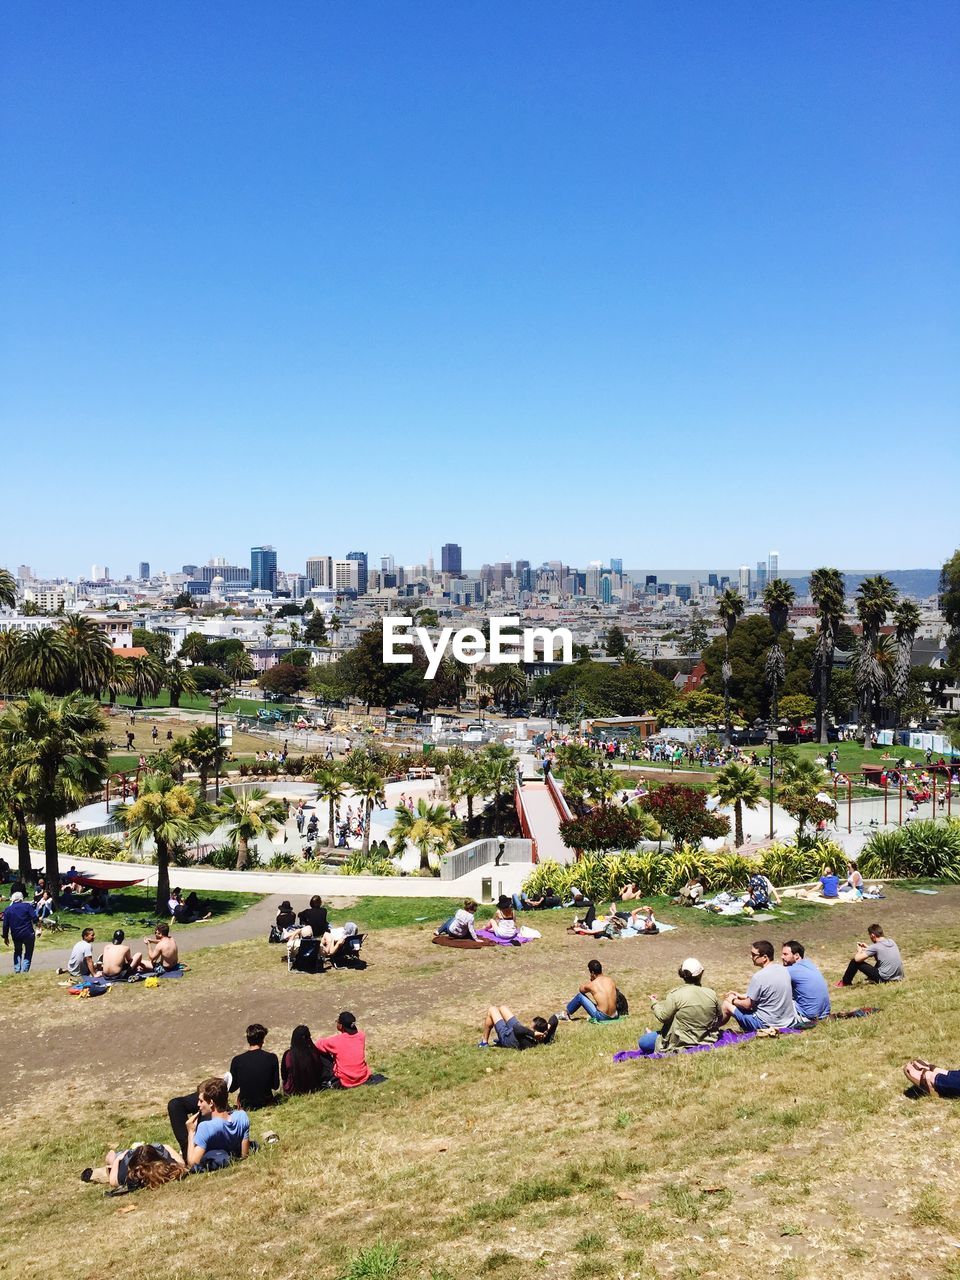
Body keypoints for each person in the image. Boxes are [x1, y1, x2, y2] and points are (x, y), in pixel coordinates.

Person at [637, 958, 725, 1054]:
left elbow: (663, 1017)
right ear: (701, 973)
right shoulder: (711, 994)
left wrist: (654, 1003)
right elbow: (720, 1017)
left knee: (644, 1042)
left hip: (680, 1042)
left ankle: (651, 1034)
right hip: (707, 1040)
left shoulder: (675, 995)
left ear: (683, 975)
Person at [721, 940, 801, 1031]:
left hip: (766, 1024)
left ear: (764, 957)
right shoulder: (783, 970)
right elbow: (768, 993)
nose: (751, 957)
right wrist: (741, 996)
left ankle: (711, 1030)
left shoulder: (758, 977)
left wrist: (733, 1000)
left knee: (726, 1005)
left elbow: (748, 1005)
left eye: (754, 955)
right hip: (787, 1022)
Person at [186, 1076, 250, 1168]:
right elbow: (244, 1155)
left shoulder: (205, 1127)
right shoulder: (242, 1116)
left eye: (201, 1101)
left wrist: (191, 1132)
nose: (198, 1104)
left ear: (211, 1103)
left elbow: (193, 1163)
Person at [82, 1141, 186, 1190]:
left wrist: (117, 1160)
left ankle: (113, 1157)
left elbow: (113, 1181)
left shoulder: (129, 1175)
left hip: (127, 1156)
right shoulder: (168, 1166)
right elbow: (181, 1163)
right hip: (153, 1149)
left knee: (111, 1157)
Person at [228, 1023, 280, 1110]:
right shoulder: (272, 1058)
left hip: (245, 1104)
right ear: (262, 1040)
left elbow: (232, 1088)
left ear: (248, 1040)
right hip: (266, 1102)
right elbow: (275, 1085)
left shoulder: (237, 1060)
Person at [314, 1011, 371, 1087]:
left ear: (340, 1026)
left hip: (346, 1080)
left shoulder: (336, 1041)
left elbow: (318, 1044)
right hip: (362, 1076)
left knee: (320, 1052)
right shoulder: (361, 1036)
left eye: (337, 1021)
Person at [838, 924, 904, 987]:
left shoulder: (875, 947)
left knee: (854, 962)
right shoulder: (891, 941)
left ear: (872, 935)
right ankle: (871, 978)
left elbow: (857, 959)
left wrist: (859, 951)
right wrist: (869, 948)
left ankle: (845, 982)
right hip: (898, 977)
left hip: (884, 979)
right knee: (880, 961)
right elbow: (881, 954)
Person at [781, 940, 831, 1021]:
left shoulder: (791, 970)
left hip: (808, 1015)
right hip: (824, 1013)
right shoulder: (809, 964)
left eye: (785, 954)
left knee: (776, 1001)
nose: (782, 957)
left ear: (796, 955)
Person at [281, 1024, 335, 1094]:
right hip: (313, 1088)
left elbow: (284, 1075)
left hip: (293, 1090)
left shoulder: (288, 1055)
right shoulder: (314, 1053)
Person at [478, 1005, 558, 1050]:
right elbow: (554, 1018)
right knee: (503, 1008)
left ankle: (484, 1043)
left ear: (535, 1031)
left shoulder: (530, 1044)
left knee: (492, 1009)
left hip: (506, 1036)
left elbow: (517, 1029)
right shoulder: (546, 1037)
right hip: (516, 1029)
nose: (529, 1027)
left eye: (531, 1027)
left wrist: (533, 1034)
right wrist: (548, 1028)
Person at [2, 889, 38, 974]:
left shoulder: (8, 910)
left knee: (17, 951)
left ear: (13, 899)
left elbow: (5, 925)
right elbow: (35, 918)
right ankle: (25, 970)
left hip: (16, 934)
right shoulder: (27, 906)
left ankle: (17, 969)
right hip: (28, 933)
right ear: (21, 899)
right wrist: (38, 923)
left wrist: (5, 936)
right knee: (28, 951)